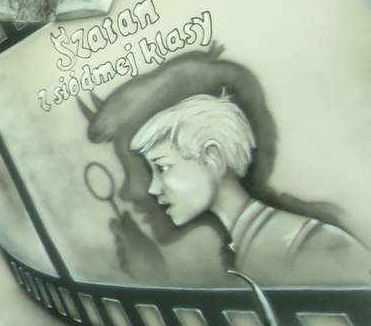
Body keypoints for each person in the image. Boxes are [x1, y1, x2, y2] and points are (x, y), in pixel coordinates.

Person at [129, 93, 367, 282]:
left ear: (213, 157)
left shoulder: (306, 244)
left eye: (163, 168)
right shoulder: (255, 241)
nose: (153, 188)